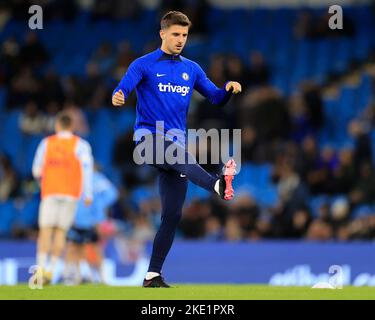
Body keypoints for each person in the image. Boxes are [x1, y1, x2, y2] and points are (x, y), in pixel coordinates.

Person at [112, 11, 242, 288]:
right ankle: (216, 184)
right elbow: (124, 87)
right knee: (177, 154)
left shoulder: (192, 69)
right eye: (175, 34)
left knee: (172, 215)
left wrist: (228, 89)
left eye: (184, 35)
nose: (181, 39)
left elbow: (216, 98)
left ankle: (152, 275)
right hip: (148, 140)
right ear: (163, 34)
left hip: (177, 148)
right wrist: (119, 94)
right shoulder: (143, 64)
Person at [32, 112, 94, 284]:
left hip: (50, 191)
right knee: (60, 232)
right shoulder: (81, 145)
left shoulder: (46, 143)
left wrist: (46, 178)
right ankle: (50, 271)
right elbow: (87, 170)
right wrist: (88, 194)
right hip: (70, 194)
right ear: (72, 127)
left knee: (45, 231)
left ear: (57, 125)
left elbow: (36, 170)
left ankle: (40, 270)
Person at [63, 166, 118, 285]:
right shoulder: (76, 178)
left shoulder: (97, 179)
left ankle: (102, 277)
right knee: (75, 248)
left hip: (90, 221)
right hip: (77, 220)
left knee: (92, 248)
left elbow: (112, 194)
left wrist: (99, 208)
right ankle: (74, 276)